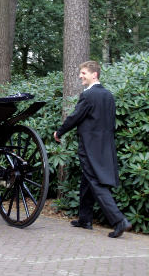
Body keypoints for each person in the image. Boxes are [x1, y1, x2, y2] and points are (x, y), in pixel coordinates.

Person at [53, 61, 131, 238]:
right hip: (105, 147)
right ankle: (85, 218)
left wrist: (60, 131)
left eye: (83, 73)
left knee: (95, 182)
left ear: (94, 75)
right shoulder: (108, 95)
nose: (81, 76)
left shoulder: (88, 96)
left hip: (90, 147)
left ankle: (119, 221)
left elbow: (75, 117)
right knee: (87, 180)